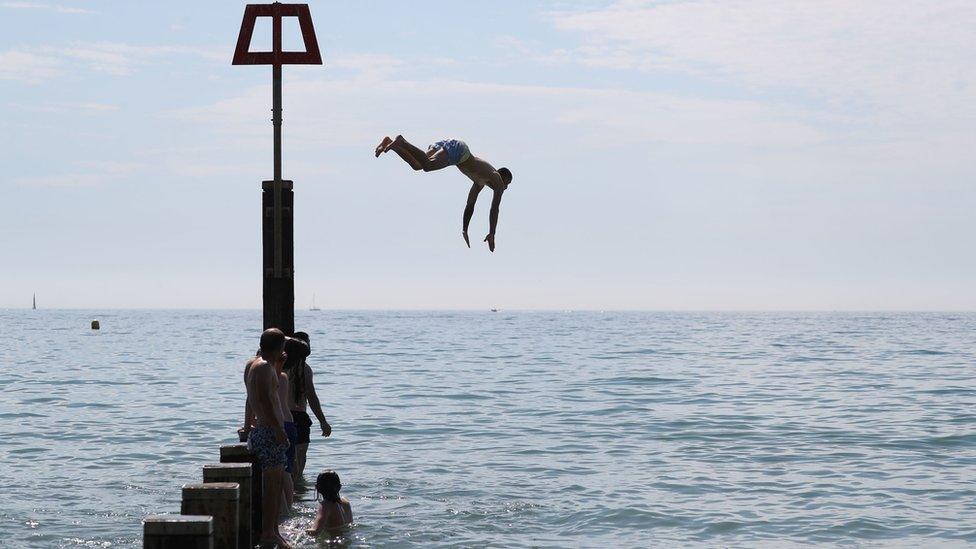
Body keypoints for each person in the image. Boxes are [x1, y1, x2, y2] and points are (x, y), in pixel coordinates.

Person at [374, 135, 513, 252]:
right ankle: (402, 141)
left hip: (455, 149)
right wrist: (492, 233)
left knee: (418, 165)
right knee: (428, 166)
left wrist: (465, 229)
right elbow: (495, 209)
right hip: (459, 151)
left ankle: (392, 144)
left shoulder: (480, 182)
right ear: (504, 178)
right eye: (508, 184)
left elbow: (470, 205)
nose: (506, 188)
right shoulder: (497, 181)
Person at [243, 328, 293, 549]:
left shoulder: (254, 364)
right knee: (272, 487)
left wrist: (247, 425)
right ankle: (268, 533)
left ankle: (272, 530)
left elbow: (257, 396)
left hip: (263, 431)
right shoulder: (264, 367)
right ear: (280, 347)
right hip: (269, 432)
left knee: (274, 484)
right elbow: (264, 401)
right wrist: (279, 431)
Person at [286, 331, 331, 482]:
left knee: (293, 460)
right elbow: (311, 397)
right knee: (299, 459)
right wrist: (323, 421)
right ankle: (297, 488)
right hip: (297, 416)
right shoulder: (304, 369)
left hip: (288, 416)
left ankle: (296, 491)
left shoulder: (282, 366)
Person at [305, 470, 353, 537]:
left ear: (317, 488)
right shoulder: (346, 502)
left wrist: (294, 531)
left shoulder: (326, 505)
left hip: (332, 544)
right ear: (339, 487)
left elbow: (315, 531)